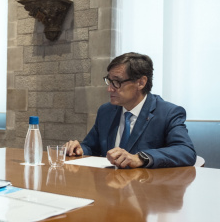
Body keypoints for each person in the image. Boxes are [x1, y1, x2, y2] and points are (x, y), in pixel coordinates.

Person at [66, 52, 196, 168]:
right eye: (109, 81)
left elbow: (186, 151)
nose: (109, 89)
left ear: (141, 83)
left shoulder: (168, 113)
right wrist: (80, 149)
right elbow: (91, 146)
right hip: (110, 186)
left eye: (116, 82)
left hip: (146, 189)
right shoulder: (106, 111)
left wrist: (141, 158)